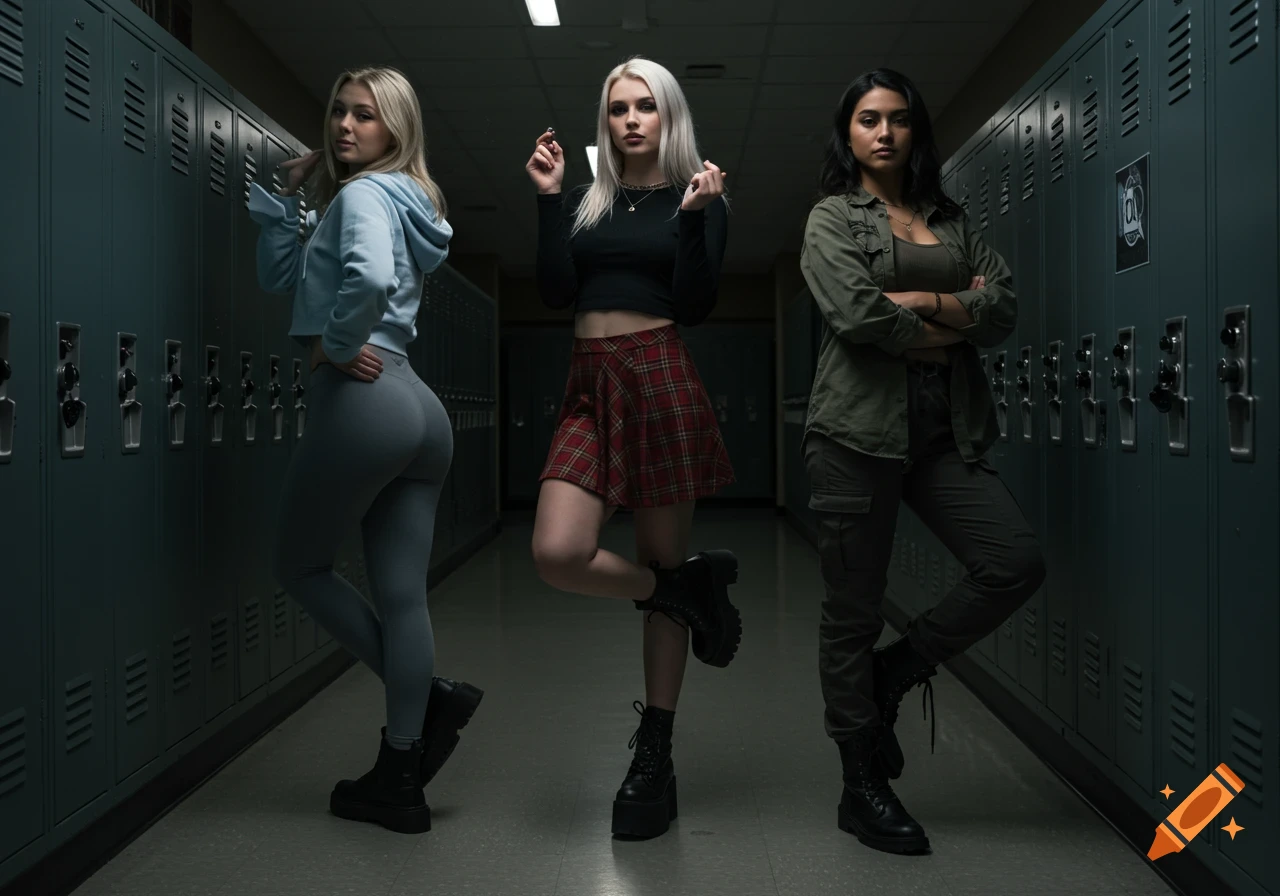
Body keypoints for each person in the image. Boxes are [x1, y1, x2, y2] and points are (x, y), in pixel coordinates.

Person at [799, 68, 1047, 855]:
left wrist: (925, 305)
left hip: (947, 430)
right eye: (868, 119)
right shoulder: (831, 218)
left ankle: (898, 668)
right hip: (856, 433)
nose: (884, 132)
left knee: (1013, 561)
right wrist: (954, 315)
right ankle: (859, 780)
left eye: (899, 119)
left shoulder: (951, 218)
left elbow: (1002, 306)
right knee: (852, 611)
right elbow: (857, 316)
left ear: (915, 132)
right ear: (849, 134)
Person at [249, 65, 484, 835]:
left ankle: (433, 703)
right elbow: (283, 275)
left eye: (367, 117)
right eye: (341, 112)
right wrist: (290, 201)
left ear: (396, 129)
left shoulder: (362, 196)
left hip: (366, 395)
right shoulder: (406, 199)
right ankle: (401, 772)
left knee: (299, 564)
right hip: (420, 406)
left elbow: (370, 276)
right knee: (404, 597)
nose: (347, 126)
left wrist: (331, 345)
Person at [524, 56, 740, 840]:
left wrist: (691, 218)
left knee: (660, 549)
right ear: (606, 121)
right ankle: (682, 593)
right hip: (588, 382)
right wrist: (548, 202)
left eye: (646, 106)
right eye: (618, 108)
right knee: (557, 551)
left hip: (658, 374)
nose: (631, 120)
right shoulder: (585, 200)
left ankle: (656, 752)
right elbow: (555, 291)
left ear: (669, 115)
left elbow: (696, 303)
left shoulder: (699, 198)